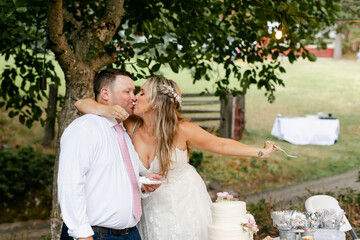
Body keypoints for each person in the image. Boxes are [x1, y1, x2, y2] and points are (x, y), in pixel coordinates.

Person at [75, 76, 279, 240]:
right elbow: (81, 103)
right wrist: (106, 110)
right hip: (150, 210)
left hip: (186, 204)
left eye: (142, 92)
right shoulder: (131, 124)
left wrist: (261, 152)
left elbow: (221, 144)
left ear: (156, 102)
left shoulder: (182, 130)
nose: (135, 96)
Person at [58, 69, 162, 240]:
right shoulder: (85, 129)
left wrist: (141, 186)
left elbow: (110, 178)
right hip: (96, 234)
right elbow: (70, 184)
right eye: (127, 92)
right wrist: (82, 235)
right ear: (105, 94)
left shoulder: (120, 131)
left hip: (130, 233)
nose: (134, 97)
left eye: (134, 92)